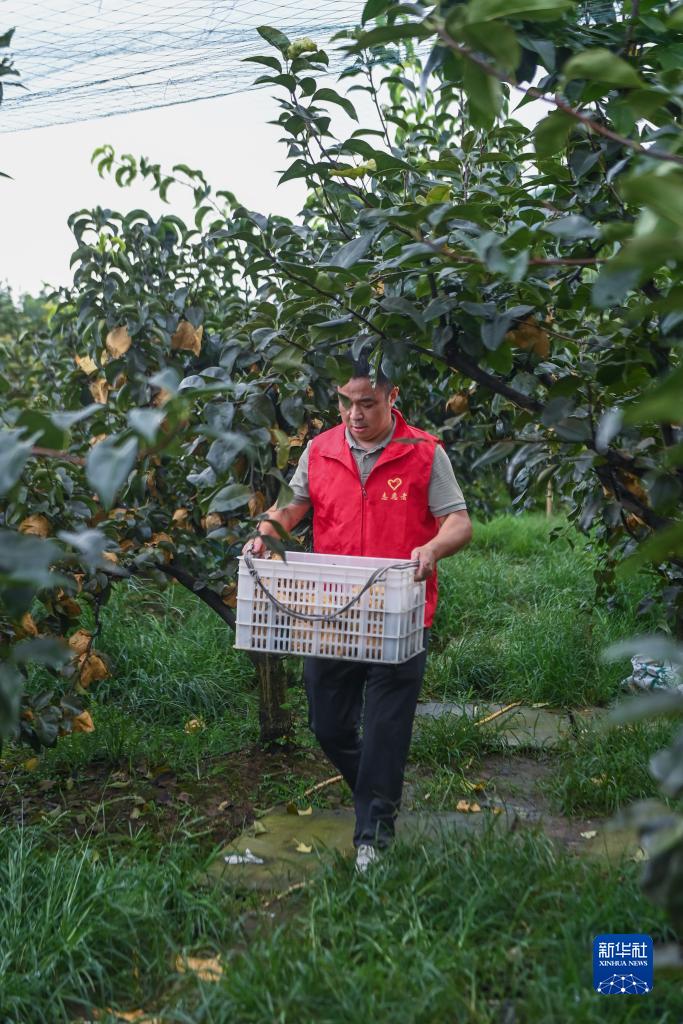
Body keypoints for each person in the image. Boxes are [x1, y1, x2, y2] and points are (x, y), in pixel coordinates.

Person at [246, 365, 472, 872]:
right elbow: (287, 510)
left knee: (386, 728)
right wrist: (266, 535)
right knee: (327, 724)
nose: (354, 414)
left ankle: (373, 836)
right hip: (336, 610)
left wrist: (433, 548)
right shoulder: (320, 450)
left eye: (367, 402)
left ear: (393, 396)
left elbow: (458, 522)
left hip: (401, 613)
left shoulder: (424, 452)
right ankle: (376, 792)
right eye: (345, 402)